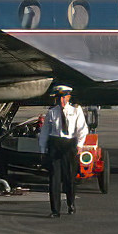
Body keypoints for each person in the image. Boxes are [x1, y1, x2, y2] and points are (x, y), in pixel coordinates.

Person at [38, 84, 88, 217]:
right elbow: (45, 132)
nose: (61, 101)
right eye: (59, 98)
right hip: (55, 144)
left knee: (69, 177)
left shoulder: (76, 111)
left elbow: (82, 129)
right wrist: (43, 150)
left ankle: (71, 203)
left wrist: (79, 145)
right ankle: (55, 210)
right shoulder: (52, 112)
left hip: (69, 144)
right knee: (54, 179)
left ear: (68, 97)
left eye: (64, 97)